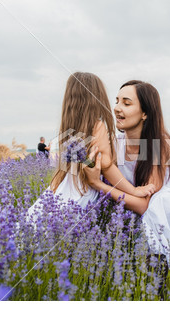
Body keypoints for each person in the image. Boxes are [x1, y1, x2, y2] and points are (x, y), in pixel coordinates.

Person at [84, 80, 170, 261]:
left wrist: (97, 183)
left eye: (126, 103)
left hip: (168, 215)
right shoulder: (115, 144)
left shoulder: (161, 146)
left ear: (145, 113)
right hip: (132, 209)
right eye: (117, 101)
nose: (117, 108)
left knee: (163, 201)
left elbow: (145, 206)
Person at [28, 73, 155, 219]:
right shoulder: (98, 126)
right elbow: (106, 167)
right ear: (97, 98)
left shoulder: (68, 129)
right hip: (83, 194)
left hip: (64, 190)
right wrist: (133, 190)